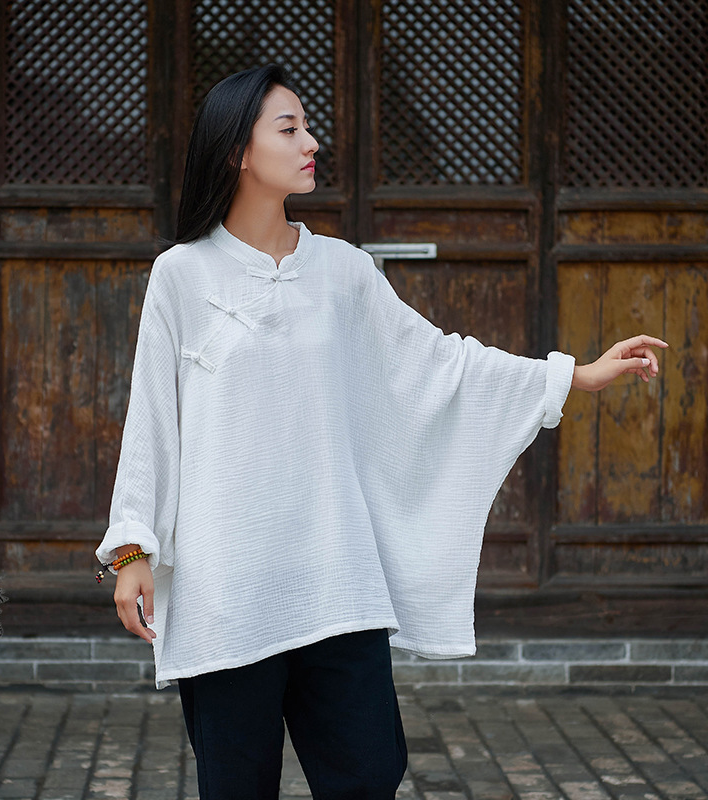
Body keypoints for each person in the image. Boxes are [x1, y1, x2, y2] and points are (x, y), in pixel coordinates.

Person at [95, 64, 667, 799]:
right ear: (237, 150)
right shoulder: (182, 275)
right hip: (227, 587)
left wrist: (572, 376)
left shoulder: (344, 272)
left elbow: (438, 364)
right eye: (290, 129)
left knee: (367, 776)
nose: (312, 143)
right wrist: (133, 549)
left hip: (337, 581)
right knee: (236, 785)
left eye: (308, 127)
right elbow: (152, 419)